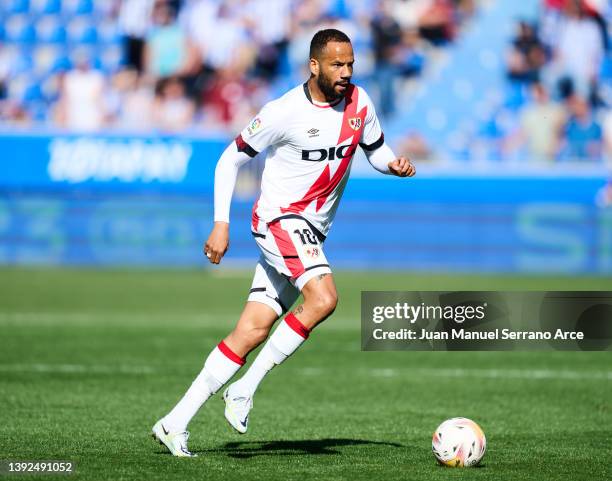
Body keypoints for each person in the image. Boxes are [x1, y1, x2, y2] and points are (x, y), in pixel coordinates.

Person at [151, 28, 416, 457]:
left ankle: (173, 422)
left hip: (311, 231)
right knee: (324, 298)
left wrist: (395, 165)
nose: (345, 72)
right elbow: (229, 158)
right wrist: (221, 224)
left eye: (350, 64)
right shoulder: (283, 111)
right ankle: (244, 390)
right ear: (314, 65)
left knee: (251, 330)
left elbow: (377, 151)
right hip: (280, 221)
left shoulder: (360, 104)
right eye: (336, 64)